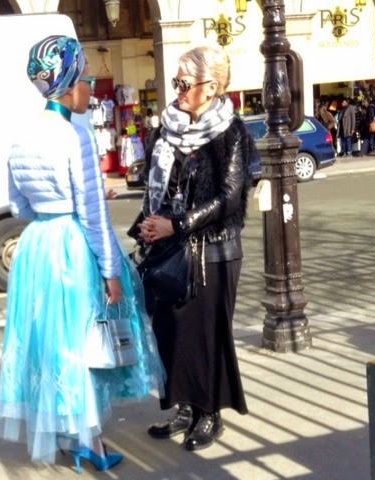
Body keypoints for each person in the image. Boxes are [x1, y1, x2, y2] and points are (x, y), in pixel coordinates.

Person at [0, 35, 165, 473]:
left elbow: (18, 206)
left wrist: (51, 208)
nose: (90, 87)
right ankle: (89, 441)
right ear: (69, 83)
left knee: (49, 344)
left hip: (38, 245)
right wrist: (111, 271)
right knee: (80, 343)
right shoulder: (76, 135)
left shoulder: (21, 136)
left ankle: (66, 434)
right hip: (72, 245)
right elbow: (92, 215)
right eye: (86, 78)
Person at [129, 45, 251, 452]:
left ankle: (209, 413)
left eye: (185, 84)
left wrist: (177, 223)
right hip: (168, 249)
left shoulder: (231, 133)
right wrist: (149, 224)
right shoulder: (166, 129)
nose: (178, 91)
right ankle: (183, 407)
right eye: (176, 83)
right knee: (170, 330)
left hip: (213, 250)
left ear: (211, 87)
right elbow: (155, 188)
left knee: (206, 334)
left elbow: (229, 198)